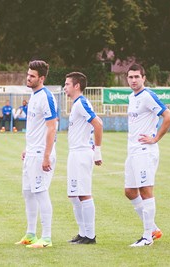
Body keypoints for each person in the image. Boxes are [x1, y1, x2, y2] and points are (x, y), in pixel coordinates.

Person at [125, 63, 170, 247]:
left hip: (145, 151)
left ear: (143, 78)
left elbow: (169, 116)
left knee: (146, 191)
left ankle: (147, 237)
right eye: (130, 77)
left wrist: (155, 138)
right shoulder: (132, 97)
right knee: (130, 192)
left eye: (137, 76)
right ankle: (153, 228)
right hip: (133, 150)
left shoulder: (148, 96)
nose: (133, 80)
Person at [15, 60, 57, 248]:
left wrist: (46, 155)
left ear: (41, 78)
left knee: (41, 192)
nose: (28, 78)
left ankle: (46, 237)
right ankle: (31, 234)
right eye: (28, 74)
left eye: (32, 76)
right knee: (27, 193)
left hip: (41, 154)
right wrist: (28, 147)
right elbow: (36, 127)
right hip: (32, 152)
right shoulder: (34, 96)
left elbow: (51, 127)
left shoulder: (46, 97)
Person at [63, 72, 103, 245]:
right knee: (73, 195)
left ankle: (90, 235)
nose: (65, 87)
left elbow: (98, 123)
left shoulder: (81, 103)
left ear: (76, 85)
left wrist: (98, 151)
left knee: (84, 194)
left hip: (81, 153)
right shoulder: (75, 104)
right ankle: (82, 232)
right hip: (74, 152)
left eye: (67, 84)